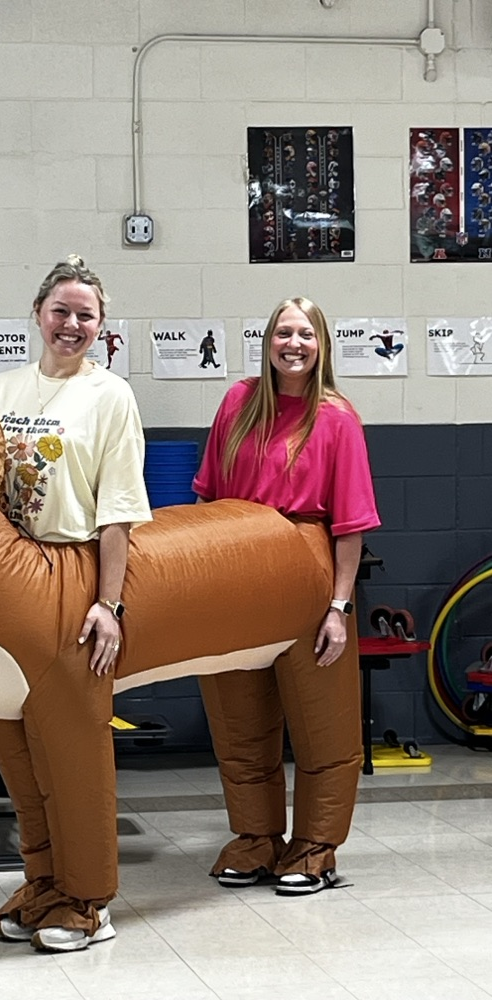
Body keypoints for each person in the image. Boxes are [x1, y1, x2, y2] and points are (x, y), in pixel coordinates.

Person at [0, 255, 151, 951]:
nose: (72, 325)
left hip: (70, 572)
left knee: (70, 749)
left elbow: (117, 513)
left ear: (102, 328)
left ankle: (89, 900)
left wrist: (110, 604)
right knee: (16, 751)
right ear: (39, 315)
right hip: (6, 579)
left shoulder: (111, 396)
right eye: (61, 311)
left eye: (86, 316)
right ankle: (44, 882)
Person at [193, 296, 380, 896]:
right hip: (234, 572)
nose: (293, 343)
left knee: (324, 725)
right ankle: (255, 839)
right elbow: (206, 497)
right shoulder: (238, 402)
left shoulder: (337, 418)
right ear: (267, 341)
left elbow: (351, 525)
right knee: (239, 719)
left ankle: (316, 846)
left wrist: (339, 608)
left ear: (321, 345)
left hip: (307, 576)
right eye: (283, 332)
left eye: (305, 333)